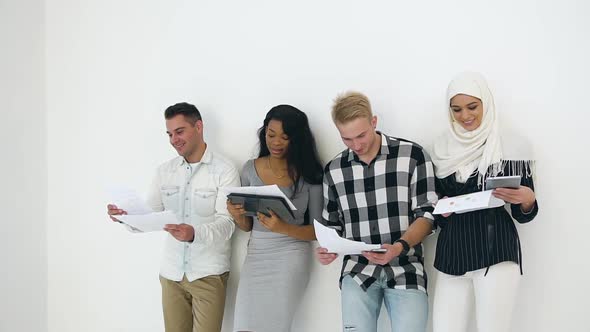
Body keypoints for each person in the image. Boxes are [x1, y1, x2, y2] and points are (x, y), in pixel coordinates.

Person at [107, 102, 240, 332]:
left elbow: (227, 224)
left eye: (180, 131)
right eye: (169, 134)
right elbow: (149, 216)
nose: (174, 139)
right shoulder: (164, 172)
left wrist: (193, 233)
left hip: (208, 275)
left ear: (198, 127)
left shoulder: (225, 170)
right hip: (171, 275)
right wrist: (125, 217)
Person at [315, 92, 438, 332]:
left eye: (361, 135)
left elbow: (428, 214)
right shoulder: (334, 169)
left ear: (374, 122)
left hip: (407, 267)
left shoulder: (412, 156)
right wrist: (328, 249)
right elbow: (332, 224)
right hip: (357, 271)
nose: (356, 145)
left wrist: (399, 247)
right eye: (347, 139)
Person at [430, 72, 539, 332]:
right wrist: (440, 211)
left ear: (486, 104)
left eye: (472, 106)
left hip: (495, 252)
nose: (465, 115)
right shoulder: (440, 149)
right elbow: (432, 208)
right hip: (451, 254)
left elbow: (524, 213)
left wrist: (528, 199)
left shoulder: (510, 145)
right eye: (456, 109)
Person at [227, 104, 323, 332]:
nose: (276, 142)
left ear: (296, 140)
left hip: (290, 256)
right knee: (244, 325)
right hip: (256, 255)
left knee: (275, 327)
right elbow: (247, 226)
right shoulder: (250, 169)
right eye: (271, 135)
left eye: (285, 137)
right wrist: (237, 215)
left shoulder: (310, 174)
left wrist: (283, 228)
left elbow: (319, 230)